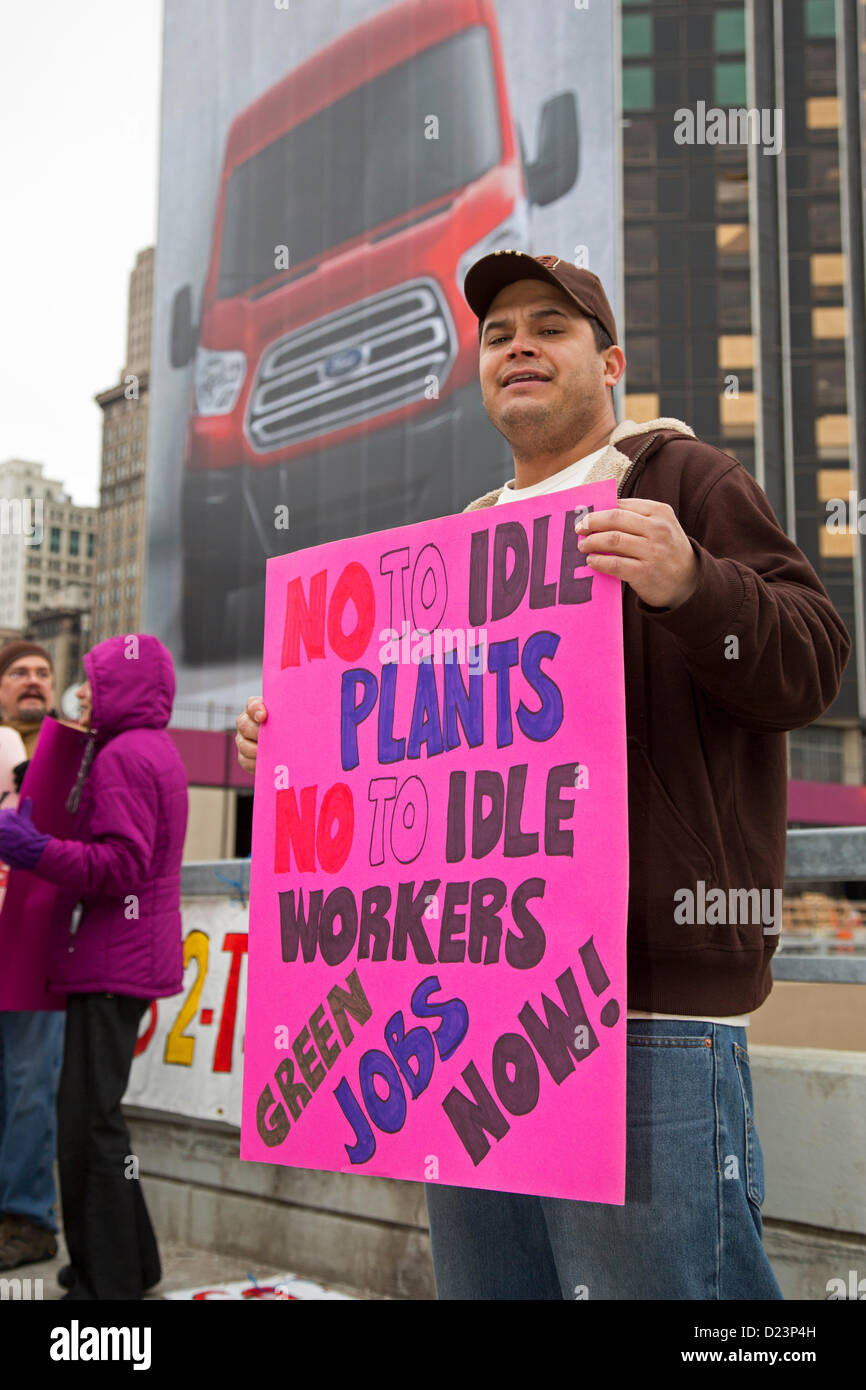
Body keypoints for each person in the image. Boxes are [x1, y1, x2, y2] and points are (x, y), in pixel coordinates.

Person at [235, 252, 851, 1300]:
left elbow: (809, 661)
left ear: (608, 364)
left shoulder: (685, 482)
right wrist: (295, 740)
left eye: (551, 327)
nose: (518, 342)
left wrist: (696, 586)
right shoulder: (462, 543)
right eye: (500, 331)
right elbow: (418, 762)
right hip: (464, 1012)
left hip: (649, 1010)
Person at [0, 633, 188, 1299]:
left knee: (87, 1126)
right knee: (99, 1118)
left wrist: (32, 849)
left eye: (93, 682)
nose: (82, 694)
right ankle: (131, 1264)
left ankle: (107, 1282)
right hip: (123, 959)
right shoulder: (147, 748)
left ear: (124, 688)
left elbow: (121, 865)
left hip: (112, 961)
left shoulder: (123, 756)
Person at [0, 641, 65, 1271]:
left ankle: (28, 1217)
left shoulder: (75, 747)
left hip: (38, 937)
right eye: (19, 672)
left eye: (43, 673)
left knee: (28, 1084)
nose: (32, 681)